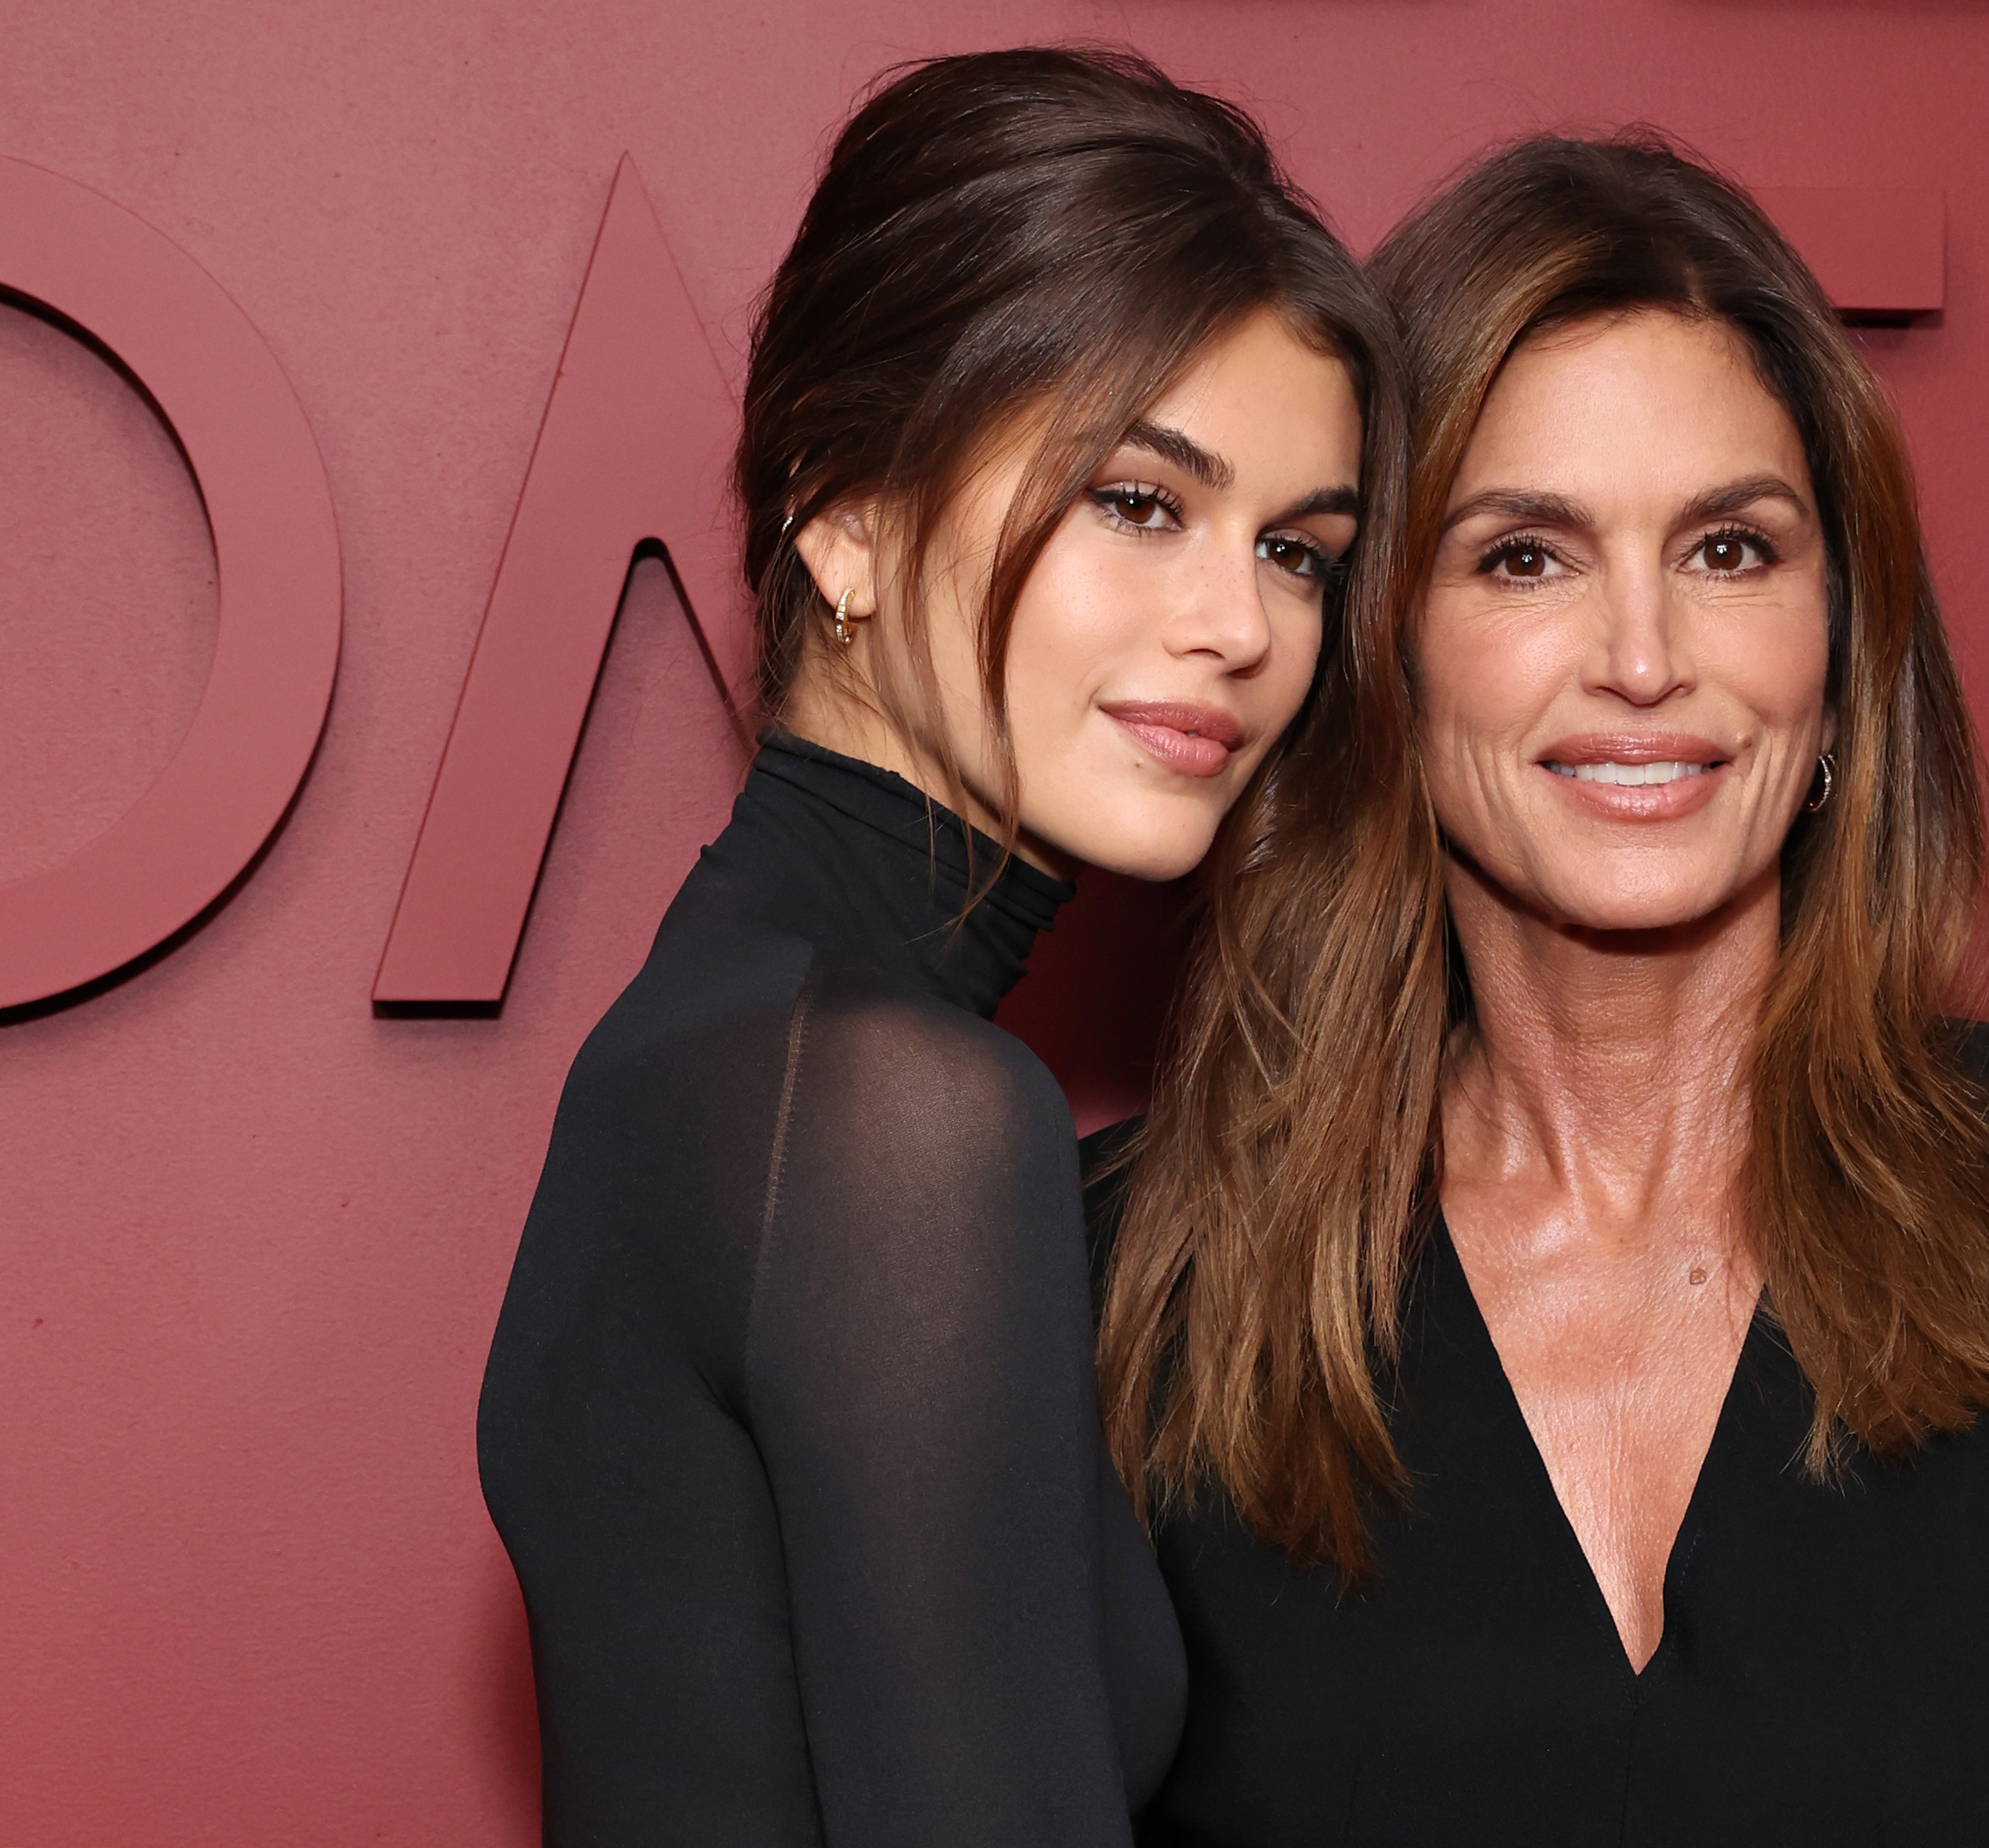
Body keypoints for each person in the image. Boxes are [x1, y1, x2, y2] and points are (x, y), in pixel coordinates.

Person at [1092, 135, 1989, 1845]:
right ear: (1381, 655)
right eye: (1524, 556)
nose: (1640, 655)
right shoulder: (1128, 1294)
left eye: (1732, 551)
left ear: (1846, 655)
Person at [475, 48, 1398, 1845]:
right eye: (1143, 502)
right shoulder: (894, 1110)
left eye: (1298, 548)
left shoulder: (728, 1038)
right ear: (844, 506)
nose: (1240, 625)